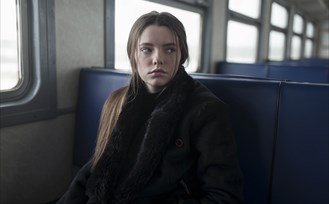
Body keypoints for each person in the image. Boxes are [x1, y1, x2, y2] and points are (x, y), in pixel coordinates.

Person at [57, 11, 243, 204]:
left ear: (181, 55)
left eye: (169, 50)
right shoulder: (118, 101)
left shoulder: (206, 110)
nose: (158, 59)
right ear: (133, 55)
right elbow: (95, 170)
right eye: (147, 49)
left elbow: (225, 197)